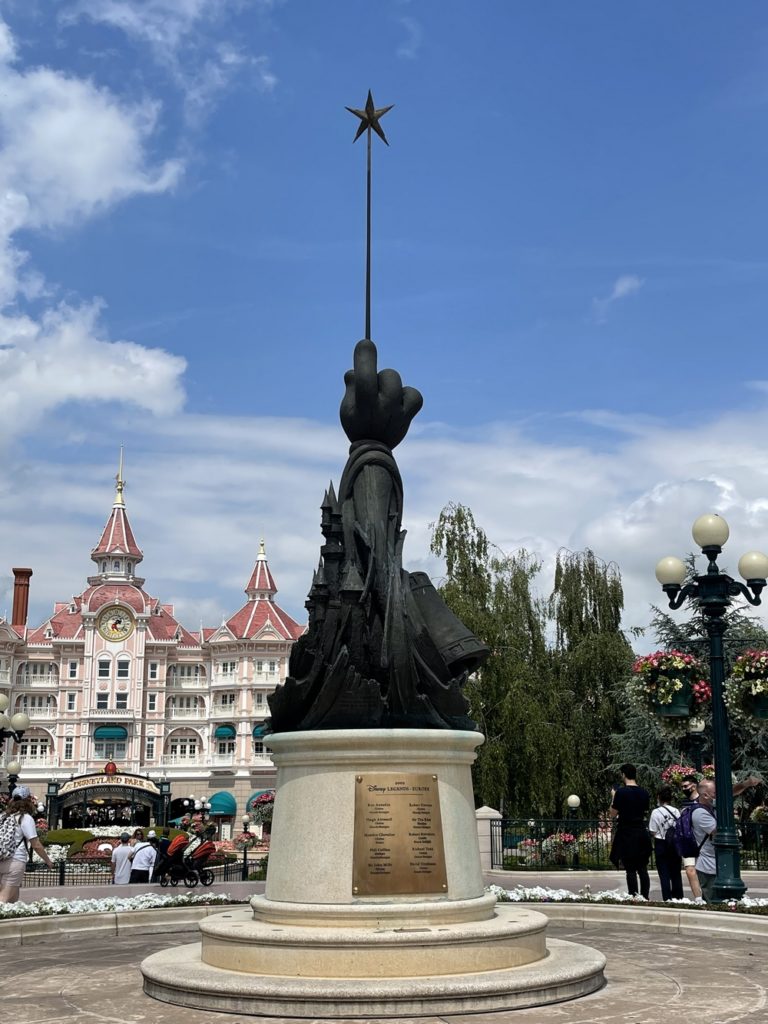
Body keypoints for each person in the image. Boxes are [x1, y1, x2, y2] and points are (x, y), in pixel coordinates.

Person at [0, 785, 55, 903]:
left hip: (1, 858)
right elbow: (36, 845)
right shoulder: (25, 818)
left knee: (13, 902)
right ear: (28, 801)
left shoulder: (3, 816)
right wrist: (48, 861)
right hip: (14, 862)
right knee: (3, 901)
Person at [609, 763, 652, 899]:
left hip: (627, 833)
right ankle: (645, 896)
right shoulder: (644, 793)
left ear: (623, 775)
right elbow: (644, 811)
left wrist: (613, 796)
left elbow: (613, 813)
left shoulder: (621, 792)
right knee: (643, 869)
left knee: (630, 869)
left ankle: (633, 896)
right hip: (641, 832)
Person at [648, 786, 683, 901]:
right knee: (676, 873)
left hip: (661, 843)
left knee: (664, 874)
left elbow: (652, 830)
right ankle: (678, 897)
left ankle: (667, 899)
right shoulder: (676, 811)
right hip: (674, 844)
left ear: (659, 798)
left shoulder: (655, 812)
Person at [692, 778, 718, 903]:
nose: (717, 796)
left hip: (715, 862)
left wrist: (745, 785)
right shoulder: (700, 813)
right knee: (712, 901)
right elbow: (718, 831)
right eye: (715, 793)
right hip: (708, 865)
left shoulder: (711, 808)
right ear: (705, 795)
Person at [679, 774, 702, 900]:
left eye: (686, 786)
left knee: (702, 871)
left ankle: (705, 895)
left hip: (701, 840)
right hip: (688, 840)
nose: (683, 789)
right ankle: (698, 899)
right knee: (689, 870)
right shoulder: (683, 802)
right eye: (682, 787)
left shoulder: (702, 800)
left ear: (694, 785)